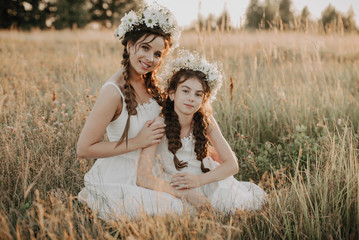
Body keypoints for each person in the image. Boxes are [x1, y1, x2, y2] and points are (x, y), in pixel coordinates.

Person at [76, 3, 185, 220]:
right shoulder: (113, 92)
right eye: (144, 48)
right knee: (173, 210)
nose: (150, 59)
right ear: (129, 44)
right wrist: (137, 142)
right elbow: (84, 148)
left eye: (157, 53)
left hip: (154, 167)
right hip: (122, 173)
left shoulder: (152, 84)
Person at [137, 50, 267, 212]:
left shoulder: (206, 121)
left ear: (203, 99)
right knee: (167, 209)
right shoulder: (159, 125)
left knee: (230, 203)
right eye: (185, 91)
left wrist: (198, 181)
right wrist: (186, 193)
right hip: (176, 186)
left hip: (205, 179)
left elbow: (232, 165)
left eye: (198, 94)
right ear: (171, 94)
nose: (191, 98)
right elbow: (143, 177)